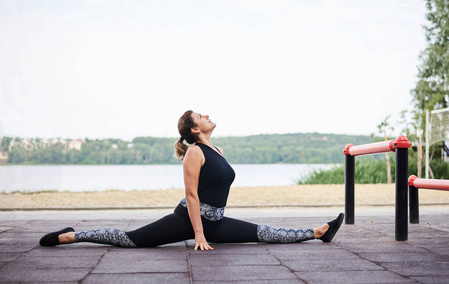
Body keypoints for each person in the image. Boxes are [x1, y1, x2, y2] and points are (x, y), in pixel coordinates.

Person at [39, 110, 344, 250]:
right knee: (130, 240)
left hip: (217, 222)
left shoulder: (218, 150)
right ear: (195, 129)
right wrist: (199, 235)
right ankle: (70, 236)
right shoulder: (194, 153)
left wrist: (209, 230)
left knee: (265, 232)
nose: (208, 115)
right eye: (201, 115)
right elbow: (193, 195)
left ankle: (318, 232)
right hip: (188, 220)